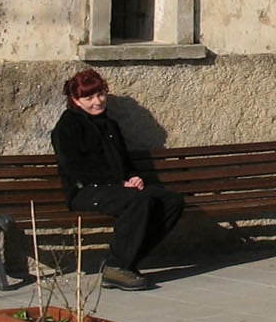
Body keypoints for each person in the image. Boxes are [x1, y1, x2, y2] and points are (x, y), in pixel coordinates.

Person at [49, 67, 182, 288]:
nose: (97, 101)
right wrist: (118, 183)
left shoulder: (110, 125)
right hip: (86, 191)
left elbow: (124, 163)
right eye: (89, 97)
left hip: (116, 189)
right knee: (138, 201)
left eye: (100, 94)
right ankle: (116, 267)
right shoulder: (68, 125)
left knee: (171, 201)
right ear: (76, 100)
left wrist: (133, 177)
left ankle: (126, 261)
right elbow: (73, 167)